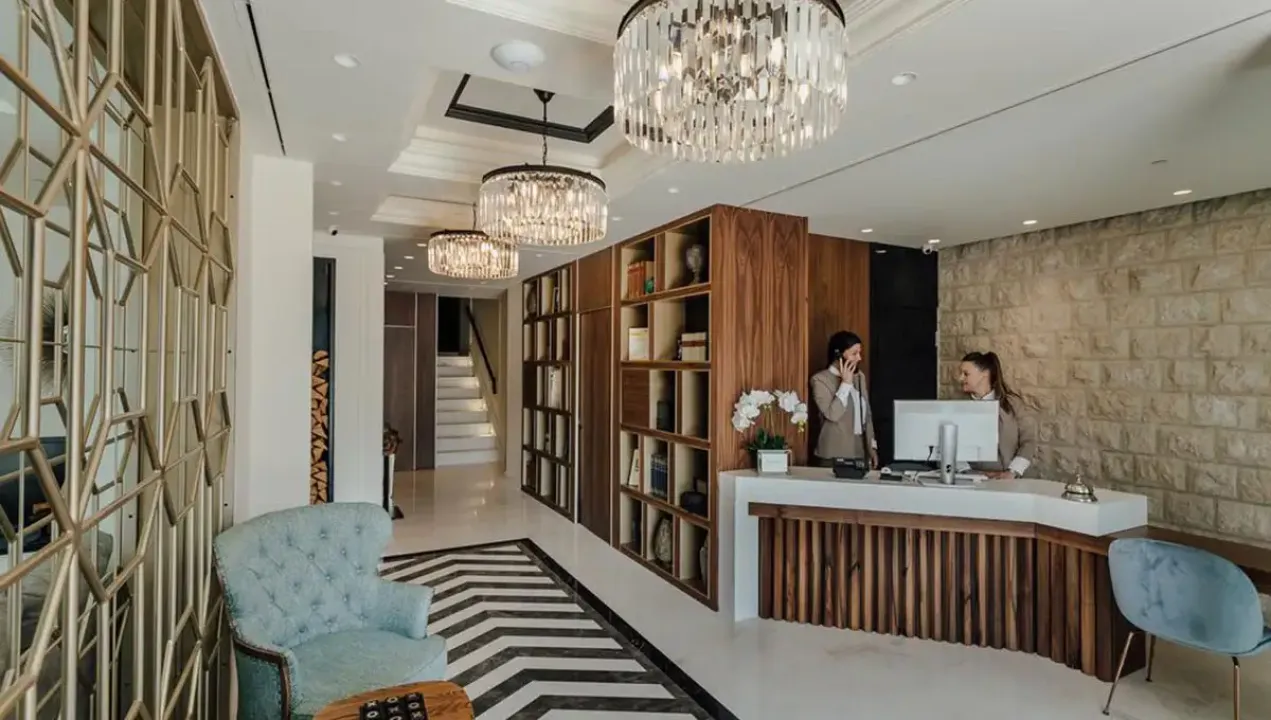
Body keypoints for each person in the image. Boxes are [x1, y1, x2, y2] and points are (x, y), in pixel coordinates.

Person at [959, 351, 1037, 479]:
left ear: (984, 374)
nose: (960, 378)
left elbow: (1028, 441)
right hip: (971, 480)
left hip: (1009, 480)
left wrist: (1012, 472)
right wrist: (966, 472)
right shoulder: (959, 406)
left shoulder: (1013, 404)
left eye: (966, 374)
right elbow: (948, 446)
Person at [810, 331, 877, 468]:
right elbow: (832, 415)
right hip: (834, 454)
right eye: (854, 353)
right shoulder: (820, 380)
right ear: (838, 355)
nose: (859, 358)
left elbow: (867, 416)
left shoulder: (859, 377)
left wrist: (872, 448)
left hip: (859, 452)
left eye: (859, 353)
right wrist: (845, 384)